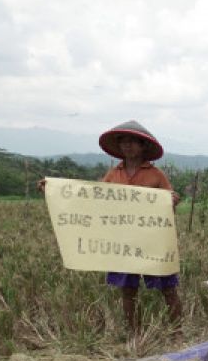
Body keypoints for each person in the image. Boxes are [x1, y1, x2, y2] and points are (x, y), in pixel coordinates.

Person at [42, 120, 182, 335]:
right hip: (121, 242)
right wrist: (53, 189)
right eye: (124, 142)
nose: (128, 146)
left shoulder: (156, 175)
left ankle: (177, 332)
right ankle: (133, 334)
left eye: (133, 142)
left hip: (151, 241)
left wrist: (172, 201)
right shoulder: (113, 174)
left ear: (143, 146)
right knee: (128, 290)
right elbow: (93, 198)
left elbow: (168, 209)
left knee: (168, 289)